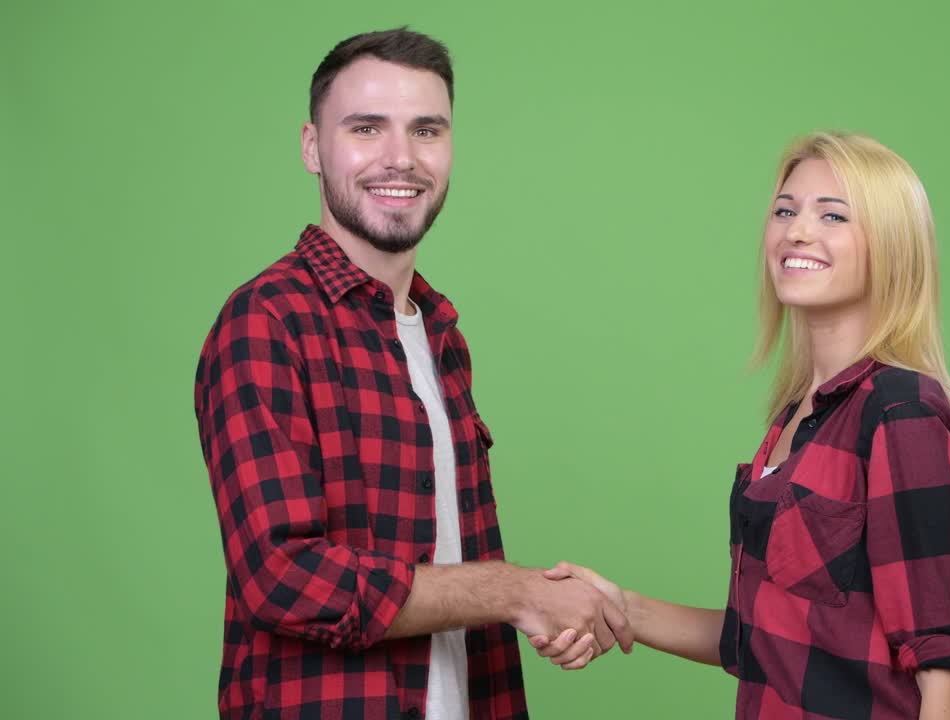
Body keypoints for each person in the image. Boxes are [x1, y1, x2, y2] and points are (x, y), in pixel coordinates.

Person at [194, 28, 630, 720]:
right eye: (366, 128)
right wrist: (515, 592)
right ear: (313, 146)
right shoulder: (267, 321)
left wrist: (546, 603)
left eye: (426, 130)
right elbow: (280, 576)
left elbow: (456, 557)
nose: (401, 158)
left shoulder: (440, 336)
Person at [533, 132, 950, 719]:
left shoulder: (900, 412)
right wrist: (619, 607)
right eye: (785, 210)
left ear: (892, 245)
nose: (797, 231)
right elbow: (760, 635)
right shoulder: (796, 420)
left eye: (832, 215)